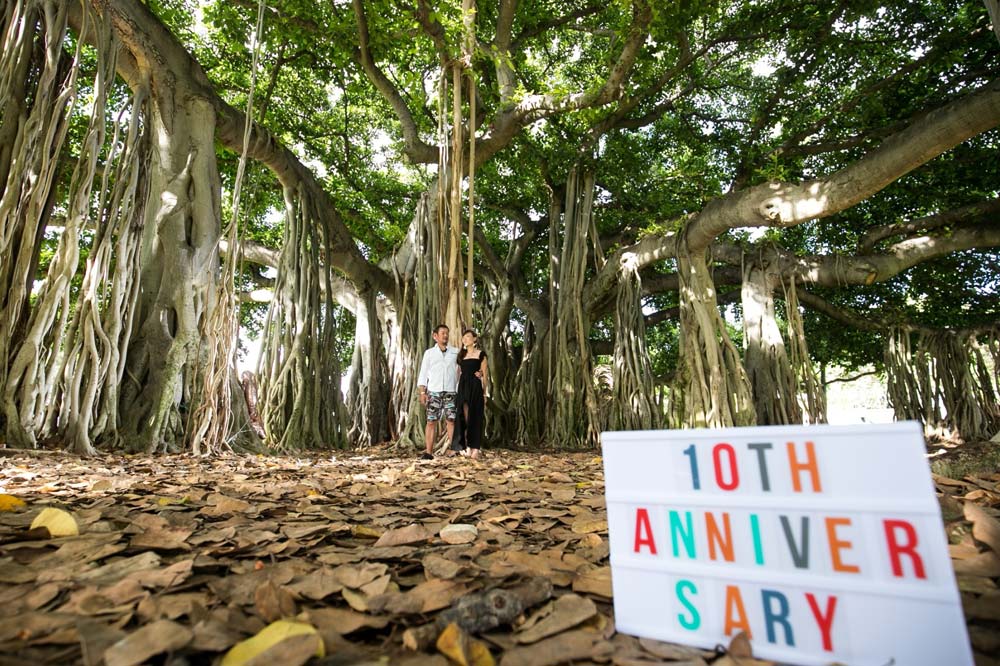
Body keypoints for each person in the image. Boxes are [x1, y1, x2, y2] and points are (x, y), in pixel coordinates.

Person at [416, 324, 459, 460]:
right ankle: (429, 452)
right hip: (434, 391)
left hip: (451, 391)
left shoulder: (456, 352)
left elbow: (466, 367)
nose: (445, 335)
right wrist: (422, 392)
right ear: (435, 336)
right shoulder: (429, 353)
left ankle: (453, 450)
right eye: (442, 333)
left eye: (447, 333)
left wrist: (479, 371)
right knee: (431, 421)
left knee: (451, 420)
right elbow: (423, 373)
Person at [451, 329, 488, 460]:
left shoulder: (481, 354)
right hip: (463, 386)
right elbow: (458, 373)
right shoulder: (461, 355)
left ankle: (476, 448)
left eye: (468, 336)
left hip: (475, 386)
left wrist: (485, 394)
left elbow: (485, 375)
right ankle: (466, 446)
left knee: (476, 416)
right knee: (464, 417)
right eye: (464, 337)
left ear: (474, 339)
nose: (465, 339)